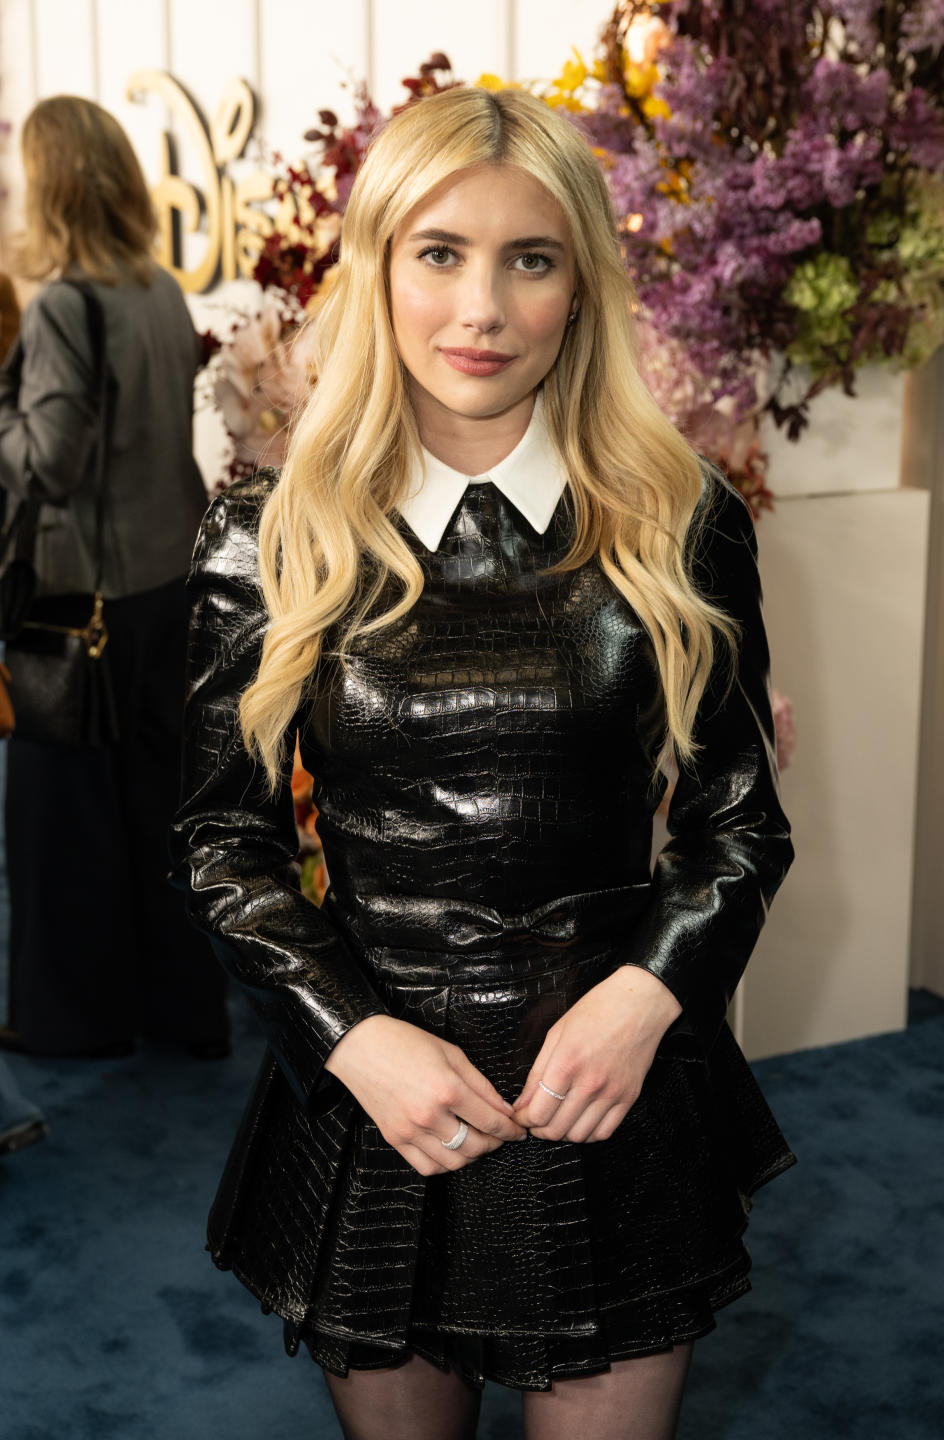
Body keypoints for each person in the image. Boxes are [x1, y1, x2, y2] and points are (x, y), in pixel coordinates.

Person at [170, 86, 795, 1440]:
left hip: (611, 1090)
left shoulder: (682, 520)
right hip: (383, 1099)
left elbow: (742, 830)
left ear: (581, 285)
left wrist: (646, 1000)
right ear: (378, 263)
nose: (483, 311)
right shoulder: (268, 536)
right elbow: (222, 845)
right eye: (440, 253)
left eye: (531, 258)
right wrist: (356, 1039)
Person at [0, 96, 228, 1059]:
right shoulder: (159, 289)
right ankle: (179, 1010)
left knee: (59, 826)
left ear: (52, 185)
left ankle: (74, 1022)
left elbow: (47, 463)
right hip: (164, 588)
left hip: (78, 602)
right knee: (158, 812)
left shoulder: (64, 303)